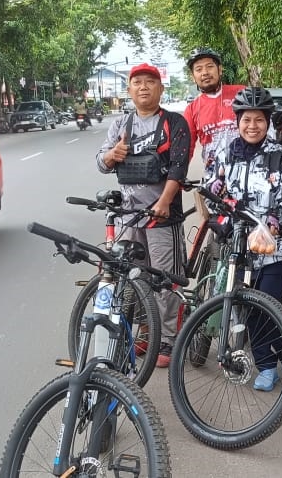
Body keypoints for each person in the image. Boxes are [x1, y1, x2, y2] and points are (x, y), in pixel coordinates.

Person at [205, 87, 282, 392]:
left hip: (275, 249)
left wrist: (273, 222)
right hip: (239, 249)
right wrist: (219, 211)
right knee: (246, 308)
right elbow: (211, 189)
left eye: (259, 120)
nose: (252, 125)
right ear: (238, 121)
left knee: (269, 305)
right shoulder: (225, 154)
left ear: (268, 122)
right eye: (246, 119)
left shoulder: (280, 156)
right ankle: (265, 365)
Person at [96, 63, 191, 368]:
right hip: (127, 217)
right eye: (137, 82)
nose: (144, 87)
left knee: (165, 281)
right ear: (130, 90)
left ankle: (168, 340)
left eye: (150, 82)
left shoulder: (173, 123)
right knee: (133, 279)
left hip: (162, 217)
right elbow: (101, 162)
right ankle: (145, 334)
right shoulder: (121, 125)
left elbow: (178, 167)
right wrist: (112, 156)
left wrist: (164, 201)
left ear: (160, 89)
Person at [181, 47, 246, 177]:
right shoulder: (192, 109)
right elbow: (185, 149)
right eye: (198, 69)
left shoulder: (241, 93)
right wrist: (178, 176)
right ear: (193, 76)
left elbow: (265, 129)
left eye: (209, 67)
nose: (205, 72)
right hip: (215, 179)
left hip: (249, 173)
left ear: (220, 69)